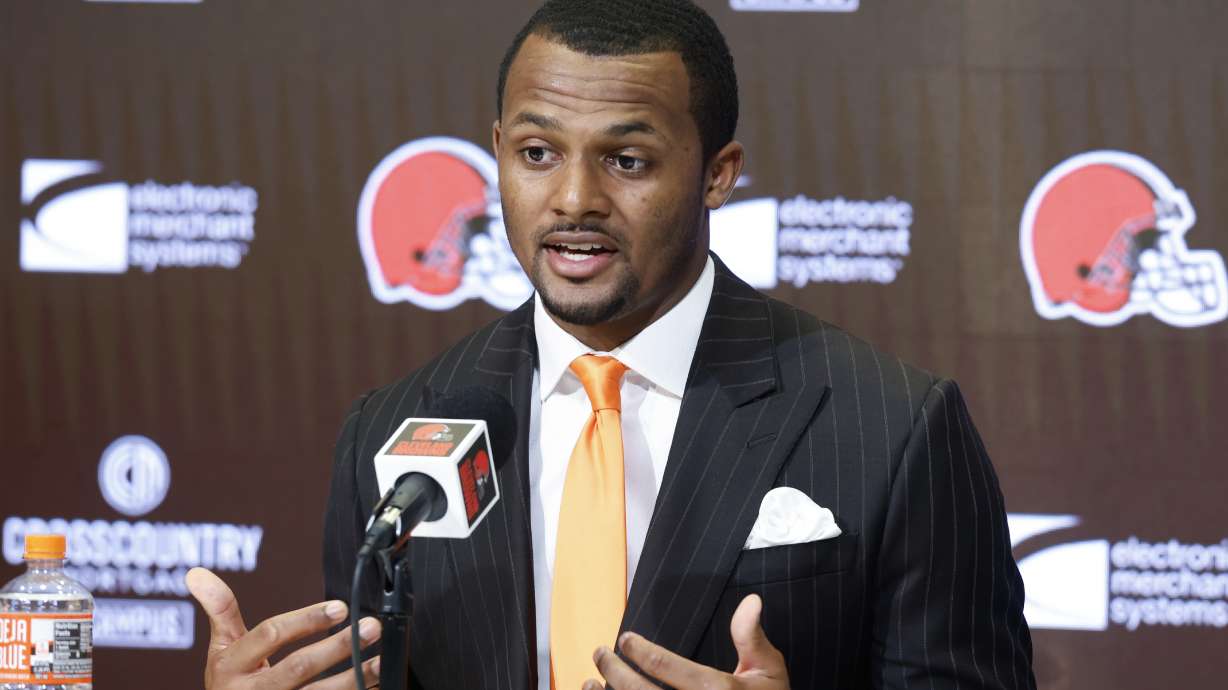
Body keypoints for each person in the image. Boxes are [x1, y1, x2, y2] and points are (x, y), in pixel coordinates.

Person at [187, 1, 1036, 688]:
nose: (573, 199)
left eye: (626, 160)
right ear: (497, 153)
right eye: (537, 153)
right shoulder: (392, 431)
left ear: (717, 173)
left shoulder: (894, 426)